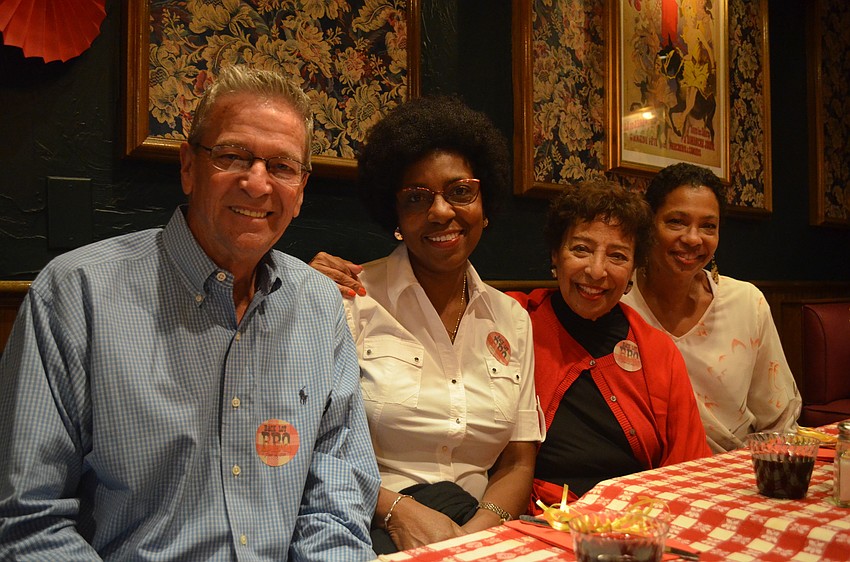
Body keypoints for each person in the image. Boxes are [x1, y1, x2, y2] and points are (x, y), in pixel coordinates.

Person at [0, 65, 380, 560]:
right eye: (232, 155)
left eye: (282, 167)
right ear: (187, 166)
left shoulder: (319, 304)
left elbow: (338, 498)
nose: (257, 183)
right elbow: (29, 519)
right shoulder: (76, 293)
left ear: (301, 189)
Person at [310, 96, 544, 554]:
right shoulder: (349, 301)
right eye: (417, 198)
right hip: (372, 526)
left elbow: (518, 461)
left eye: (460, 191)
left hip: (479, 530)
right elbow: (316, 448)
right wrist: (399, 513)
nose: (440, 212)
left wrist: (474, 536)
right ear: (395, 215)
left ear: (485, 205)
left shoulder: (512, 319)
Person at [508, 179, 712, 509]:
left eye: (617, 256)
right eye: (581, 249)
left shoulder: (657, 351)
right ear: (555, 255)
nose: (596, 270)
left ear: (633, 270)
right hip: (540, 517)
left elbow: (689, 469)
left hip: (639, 516)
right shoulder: (513, 321)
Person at [621, 162, 801, 452]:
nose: (693, 238)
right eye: (676, 221)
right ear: (649, 224)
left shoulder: (747, 303)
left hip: (736, 465)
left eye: (708, 226)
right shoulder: (619, 302)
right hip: (648, 470)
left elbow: (778, 418)